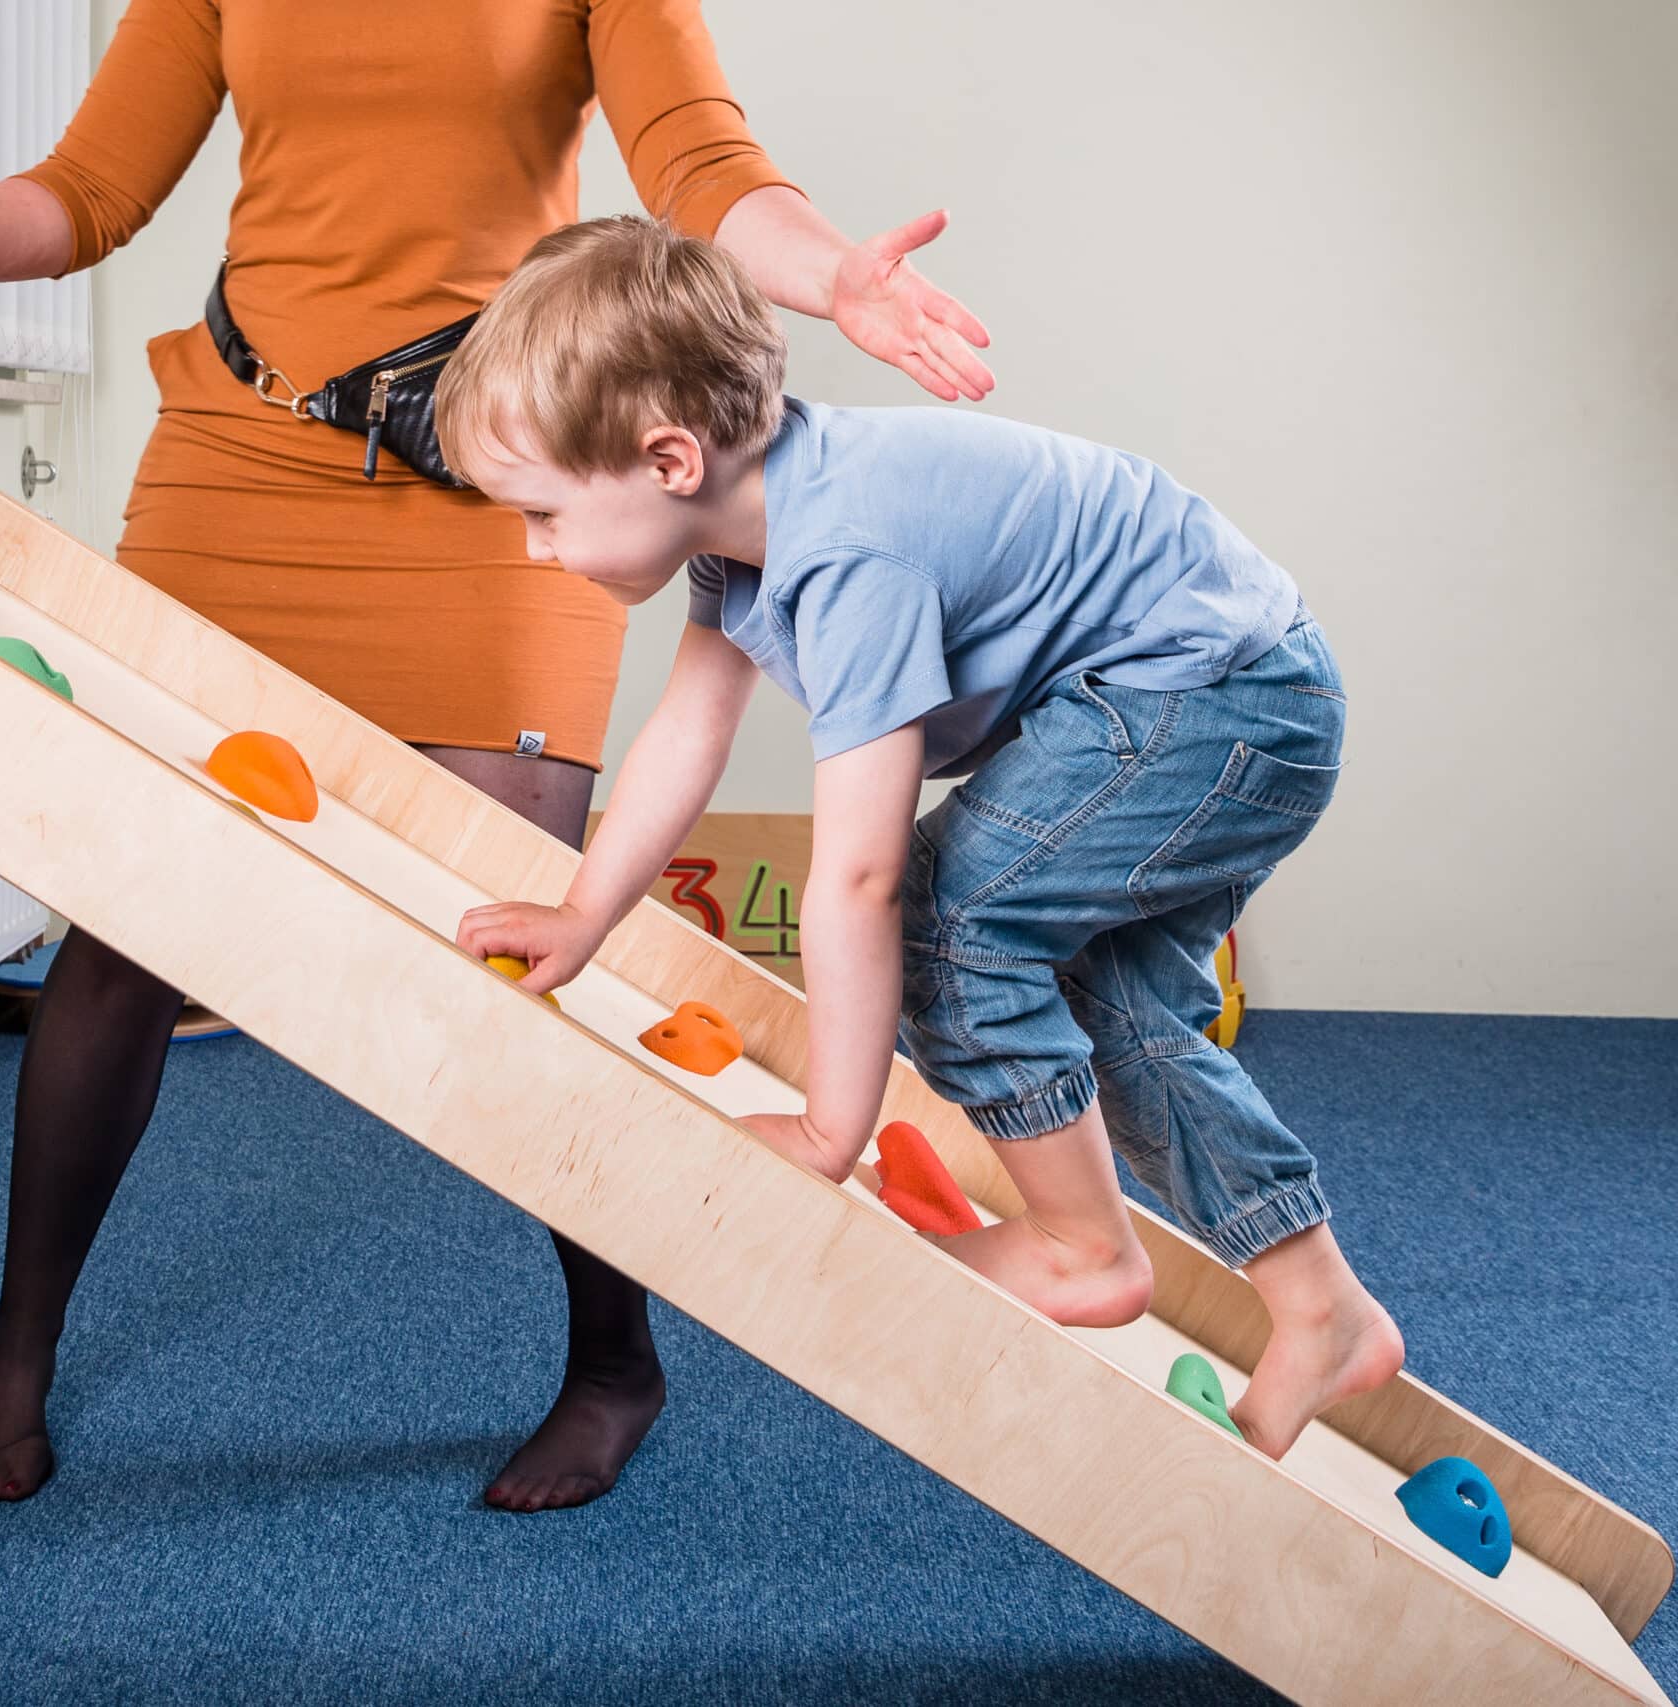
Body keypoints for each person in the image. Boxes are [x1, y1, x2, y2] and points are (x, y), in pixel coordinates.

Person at [0, 1, 993, 1511]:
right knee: (125, 919)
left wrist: (831, 272)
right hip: (243, 458)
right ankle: (17, 1352)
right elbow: (89, 191)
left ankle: (612, 1358)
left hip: (504, 467)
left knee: (525, 945)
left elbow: (699, 164)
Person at [446, 216, 1403, 1458]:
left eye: (542, 514)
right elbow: (687, 735)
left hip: (1218, 697)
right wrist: (586, 912)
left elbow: (858, 875)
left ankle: (1081, 1248)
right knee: (1119, 1008)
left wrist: (828, 1133)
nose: (535, 548)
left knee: (952, 921)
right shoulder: (746, 532)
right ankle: (1319, 1307)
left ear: (668, 458)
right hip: (1235, 688)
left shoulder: (847, 555)